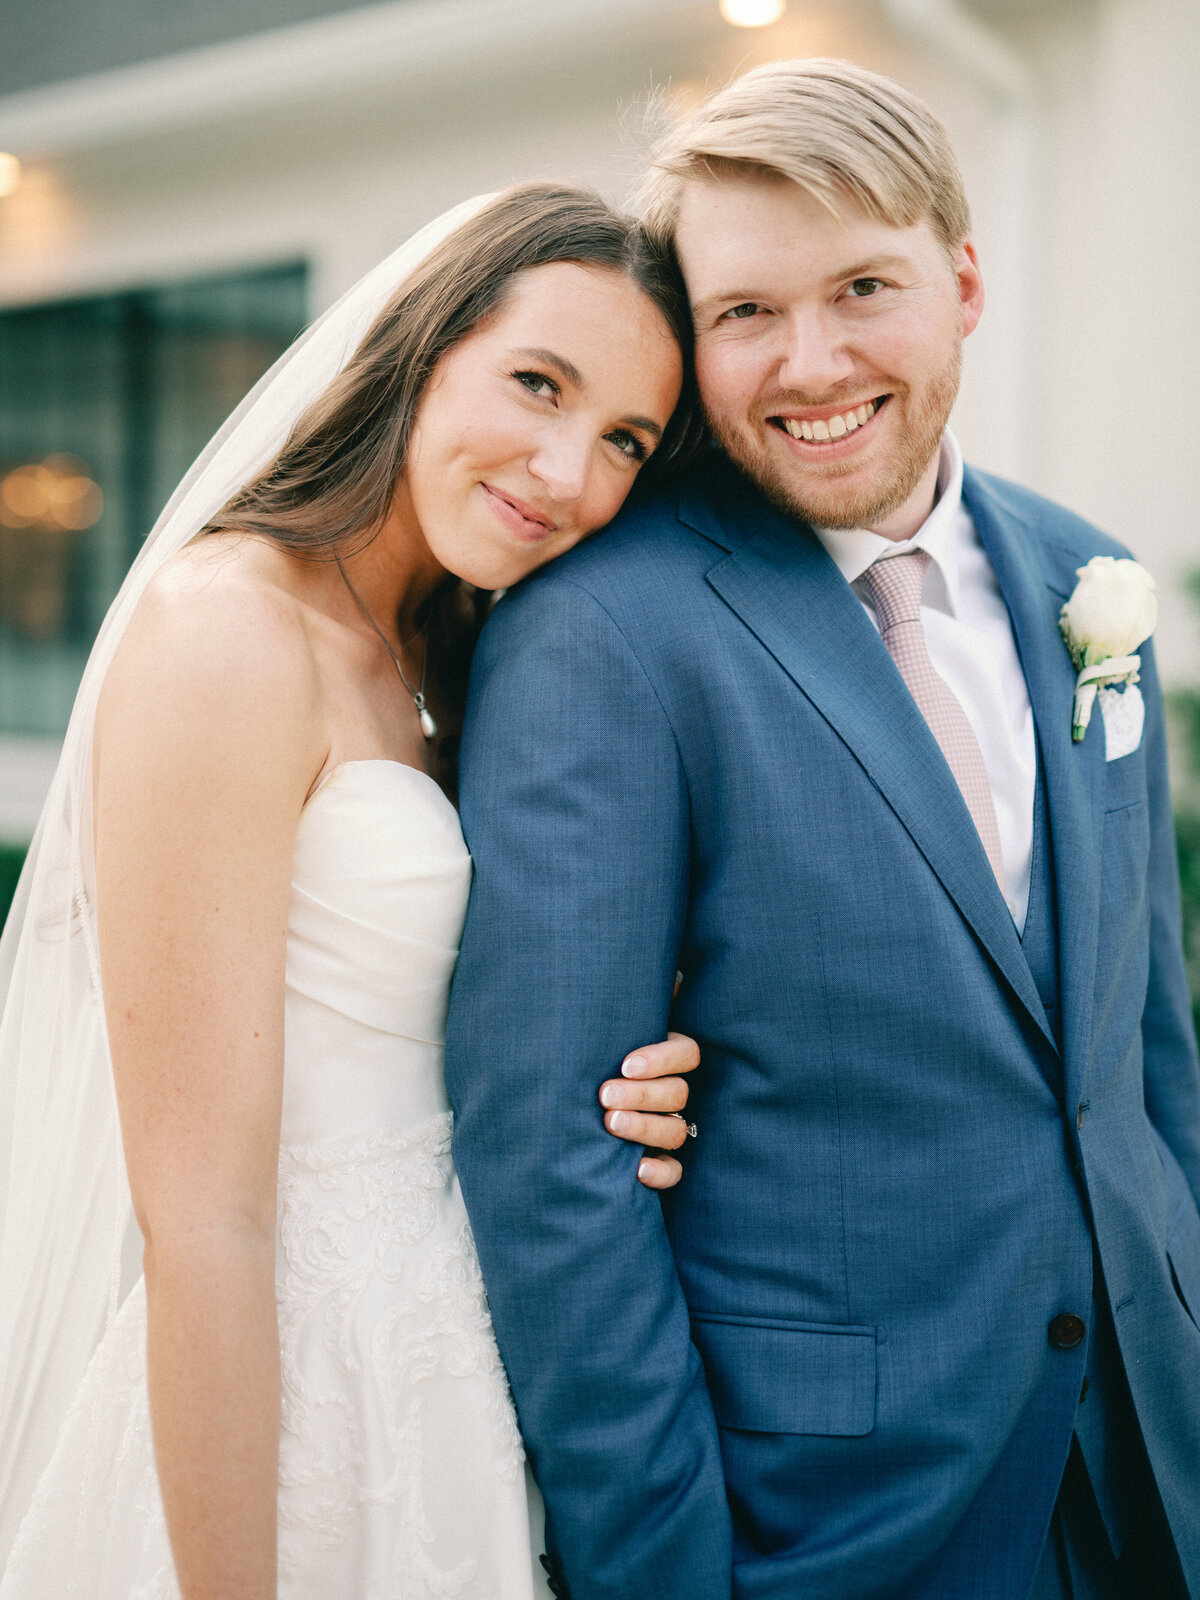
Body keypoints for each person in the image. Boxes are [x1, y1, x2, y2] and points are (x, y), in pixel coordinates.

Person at [445, 60, 1200, 1600]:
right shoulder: (606, 629)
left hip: (1149, 1468)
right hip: (828, 1518)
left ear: (965, 281)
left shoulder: (1091, 581)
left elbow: (1150, 1046)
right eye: (745, 315)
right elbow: (551, 1166)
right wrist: (661, 1569)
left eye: (865, 285)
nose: (811, 361)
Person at [0, 184, 710, 1598]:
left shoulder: (454, 649)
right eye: (537, 383)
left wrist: (641, 1066)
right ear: (420, 344)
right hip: (272, 1406)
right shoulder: (228, 634)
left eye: (624, 438)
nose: (569, 472)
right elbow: (202, 1217)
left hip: (448, 1366)